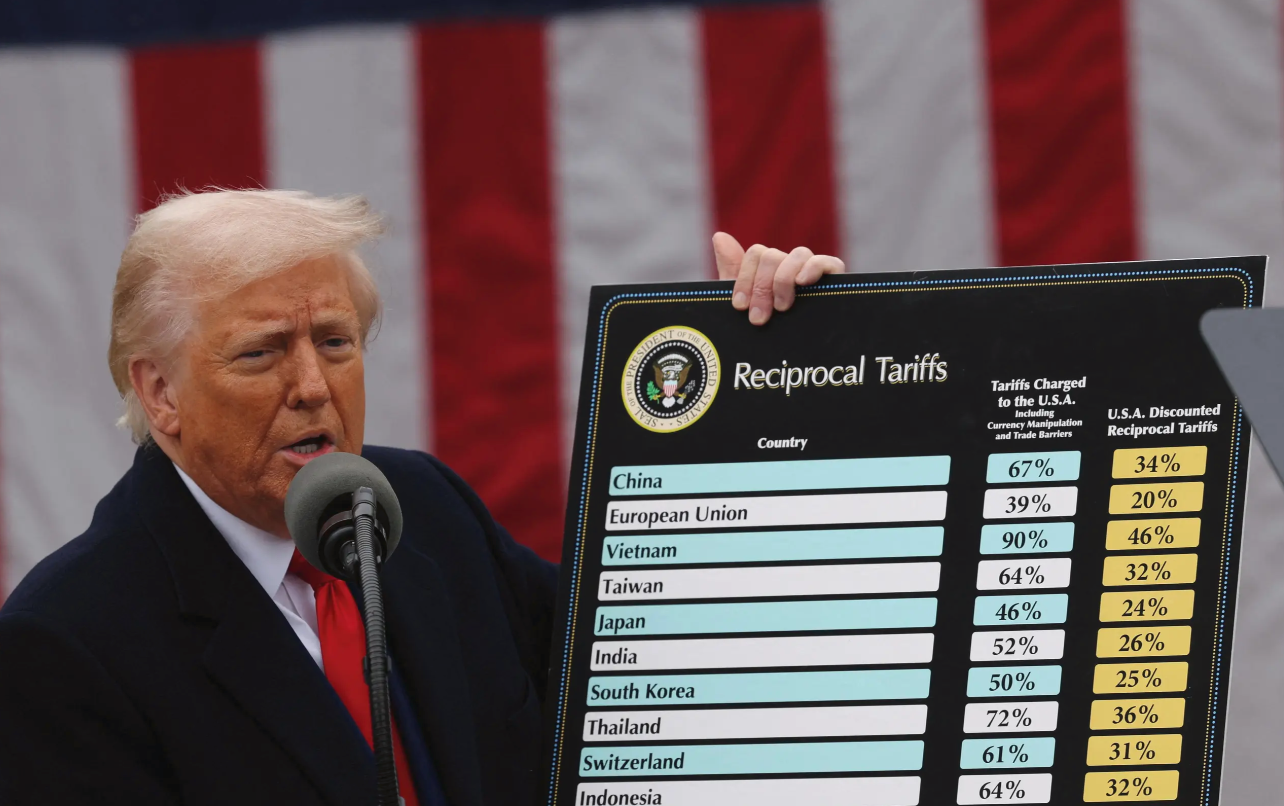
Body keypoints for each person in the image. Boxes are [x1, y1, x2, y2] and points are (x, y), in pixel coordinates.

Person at [0, 189, 844, 805]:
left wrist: (766, 384)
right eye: (261, 353)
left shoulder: (423, 508)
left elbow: (653, 678)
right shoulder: (66, 644)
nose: (312, 385)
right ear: (160, 394)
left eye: (336, 342)